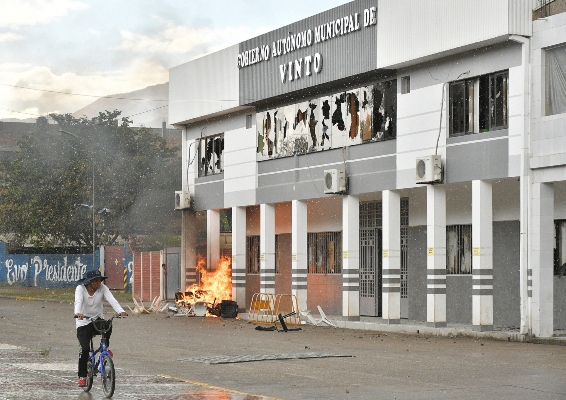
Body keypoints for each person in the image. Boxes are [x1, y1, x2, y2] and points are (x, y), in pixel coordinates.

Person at [74, 269, 127, 387]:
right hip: (83, 322)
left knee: (108, 325)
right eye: (96, 281)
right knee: (85, 349)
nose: (98, 283)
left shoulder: (102, 288)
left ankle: (105, 350)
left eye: (99, 280)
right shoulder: (80, 289)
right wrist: (78, 312)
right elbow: (78, 301)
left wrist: (121, 311)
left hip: (97, 320)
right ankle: (82, 376)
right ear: (89, 282)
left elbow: (112, 299)